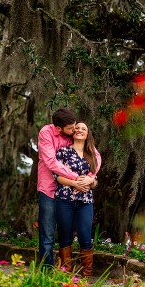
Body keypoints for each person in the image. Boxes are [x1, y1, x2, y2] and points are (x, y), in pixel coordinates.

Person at [36, 108, 95, 267]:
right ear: (58, 128)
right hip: (49, 189)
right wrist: (75, 178)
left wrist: (91, 178)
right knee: (48, 235)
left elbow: (93, 154)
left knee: (68, 234)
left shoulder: (72, 135)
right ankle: (46, 273)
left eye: (76, 126)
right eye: (71, 128)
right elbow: (50, 162)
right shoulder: (46, 133)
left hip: (69, 195)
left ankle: (69, 272)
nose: (74, 130)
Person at [54, 121, 101, 276]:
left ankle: (86, 275)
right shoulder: (63, 152)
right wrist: (75, 183)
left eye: (84, 129)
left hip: (85, 201)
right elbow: (58, 176)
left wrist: (91, 181)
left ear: (88, 134)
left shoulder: (92, 155)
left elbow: (94, 180)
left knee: (85, 235)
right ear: (73, 132)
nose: (80, 130)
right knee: (65, 236)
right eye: (77, 128)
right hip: (64, 199)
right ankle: (66, 273)